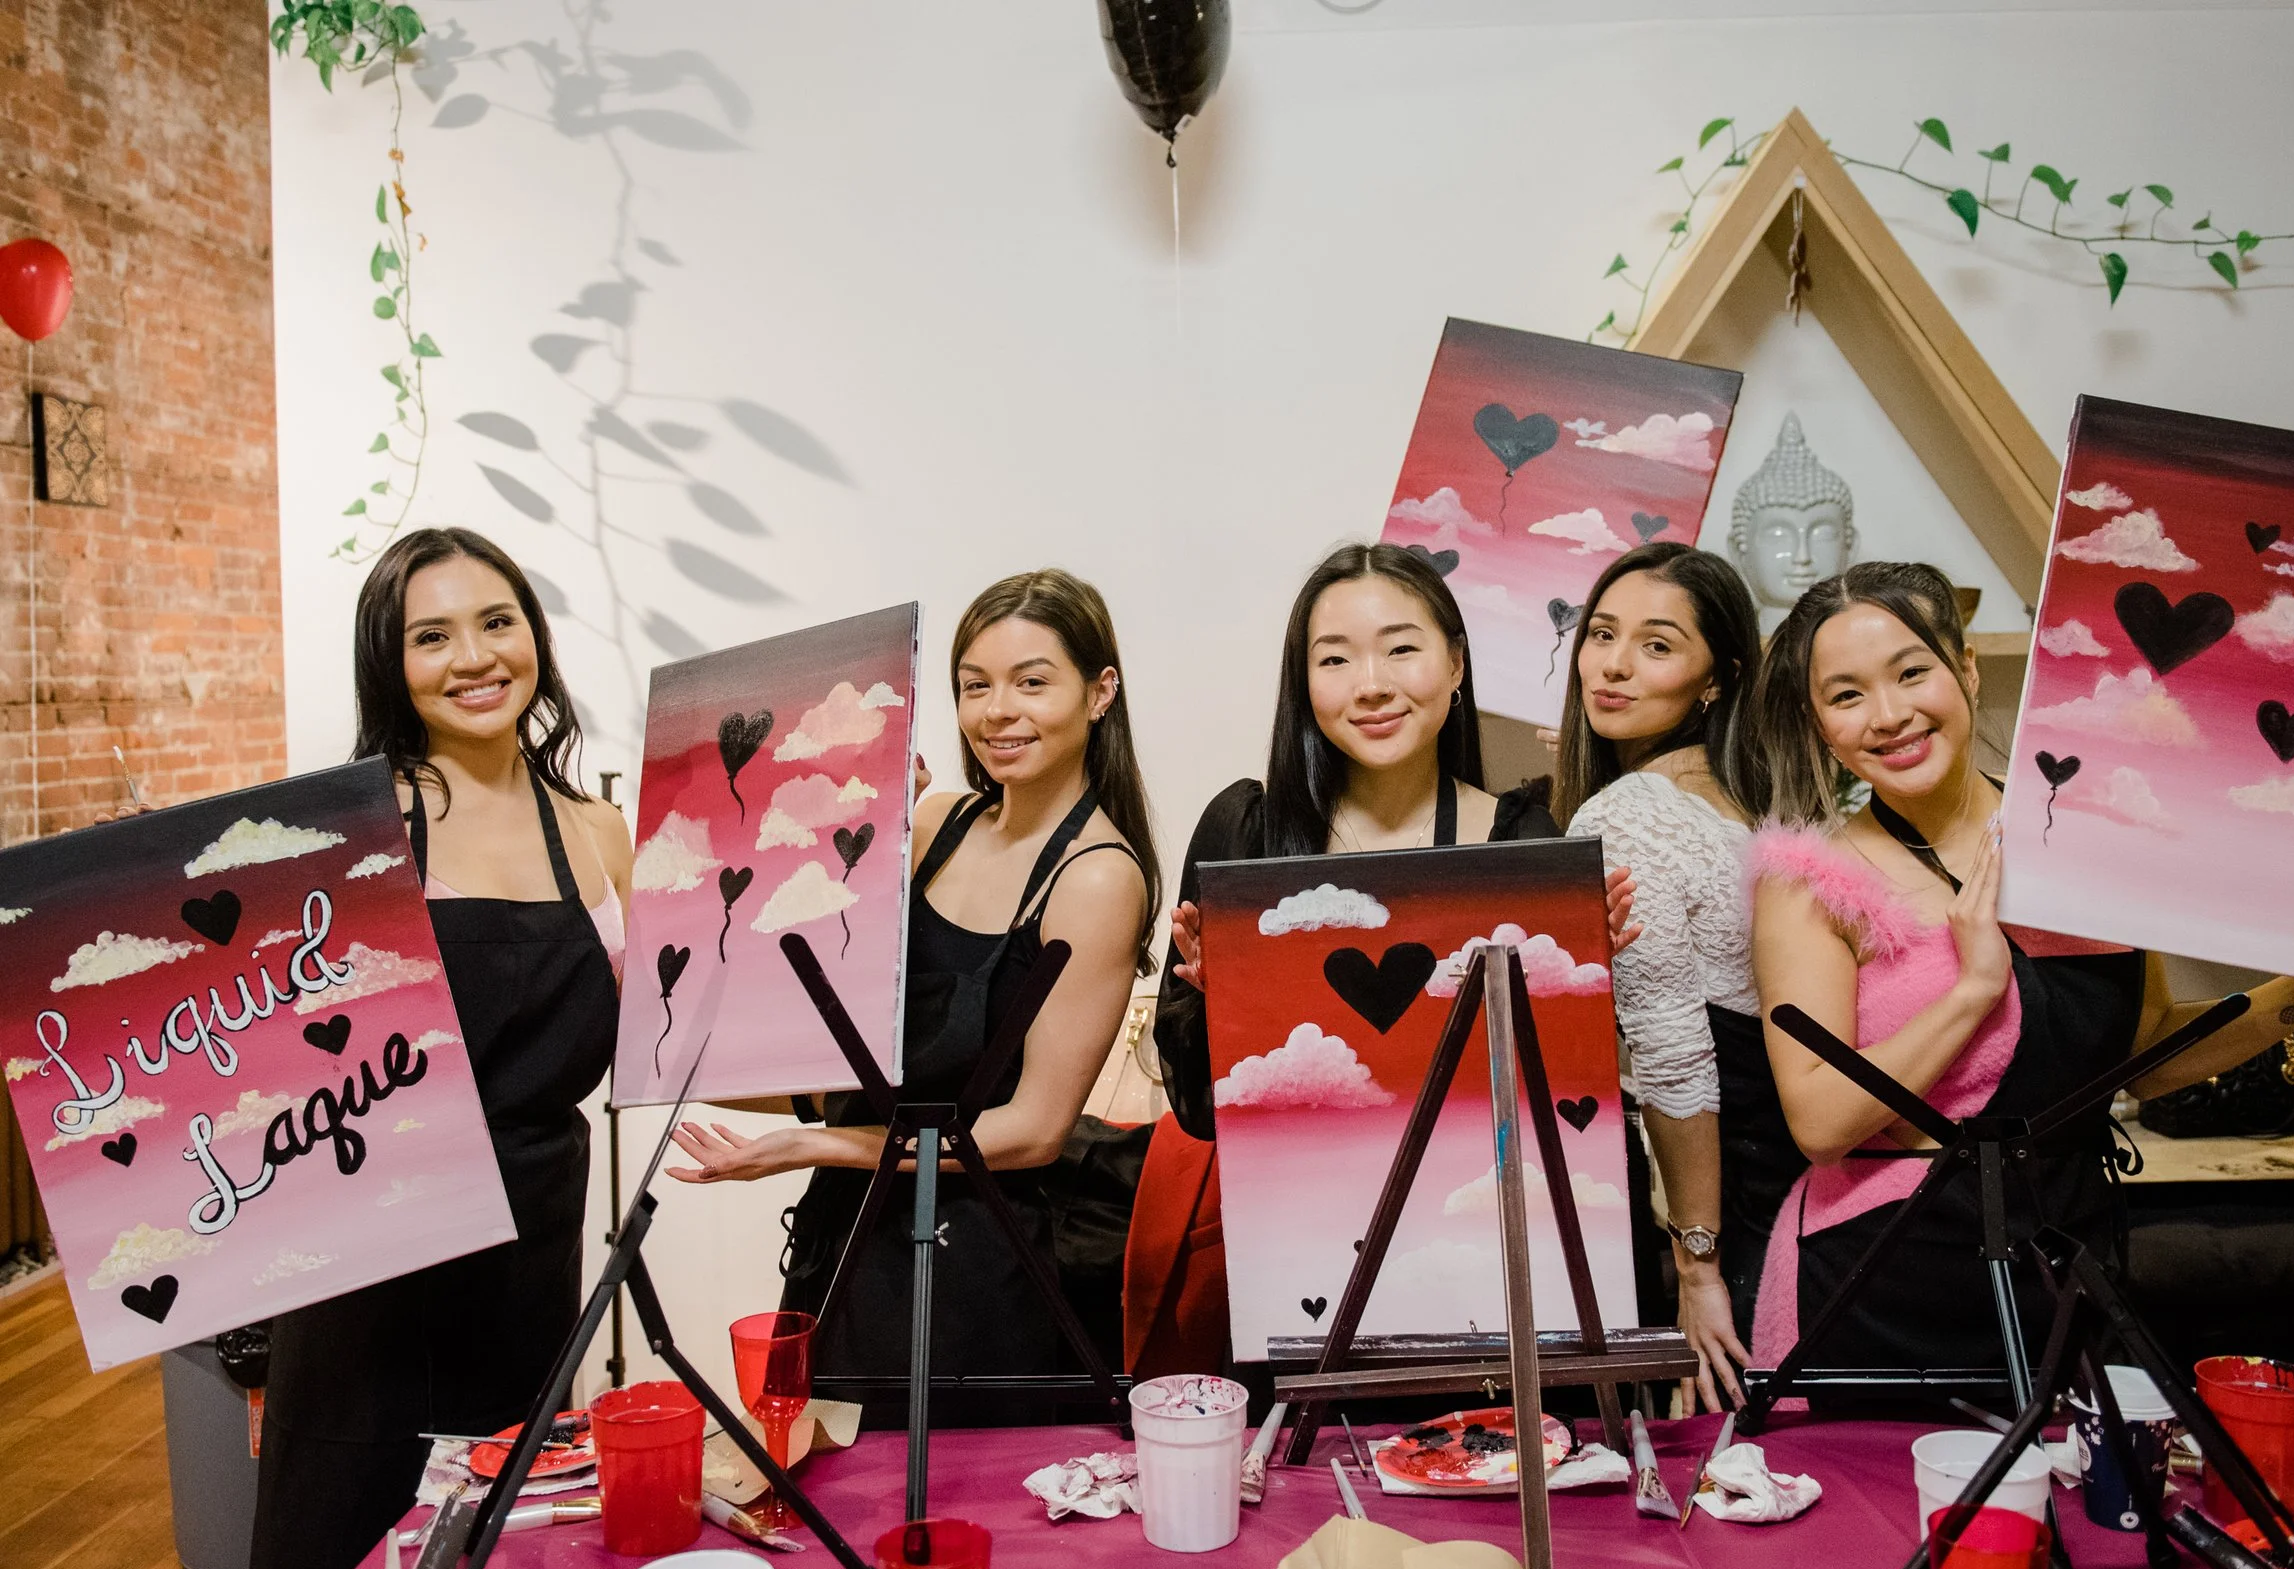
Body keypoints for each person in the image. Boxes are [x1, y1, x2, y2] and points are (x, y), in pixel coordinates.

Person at [1744, 562, 2294, 1382]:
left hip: (2069, 1264)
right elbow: (1821, 1121)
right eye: (1847, 694)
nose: (1891, 714)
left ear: (1966, 670)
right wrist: (1976, 988)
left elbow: (2151, 1055)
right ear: (1818, 722)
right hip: (1876, 1281)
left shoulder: (2091, 842)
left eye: (1912, 672)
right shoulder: (1808, 880)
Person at [247, 528, 632, 1569]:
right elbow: (264, 1083)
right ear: (390, 663)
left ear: (535, 638)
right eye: (431, 634)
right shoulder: (348, 832)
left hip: (531, 1258)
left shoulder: (600, 832)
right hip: (374, 1270)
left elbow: (679, 1027)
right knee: (345, 1565)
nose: (474, 655)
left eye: (496, 620)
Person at [1128, 542, 1631, 1379]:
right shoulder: (1248, 835)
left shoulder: (1522, 840)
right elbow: (1201, 1116)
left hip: (1486, 1278)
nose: (1371, 682)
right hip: (1293, 1281)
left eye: (1402, 647)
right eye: (1335, 658)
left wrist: (1576, 981)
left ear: (1457, 662)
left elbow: (1567, 1110)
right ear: (1303, 682)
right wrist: (1228, 1009)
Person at [666, 570, 1155, 1419]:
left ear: (1100, 690)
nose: (999, 710)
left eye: (1033, 681)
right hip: (847, 1247)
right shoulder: (936, 824)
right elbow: (843, 1046)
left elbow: (1033, 1132)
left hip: (975, 1271)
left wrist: (810, 1146)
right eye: (976, 685)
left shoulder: (1098, 878)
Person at [1550, 541, 1790, 1411]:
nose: (1612, 665)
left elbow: (1677, 1055)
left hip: (1741, 1187)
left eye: (1656, 645)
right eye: (1602, 633)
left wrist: (1698, 1266)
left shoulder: (1626, 816)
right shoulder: (1759, 798)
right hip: (1802, 1165)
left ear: (1717, 679)